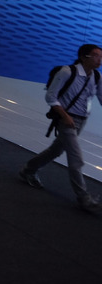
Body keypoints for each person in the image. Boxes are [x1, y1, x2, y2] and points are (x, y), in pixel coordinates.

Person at [19, 44, 102, 213]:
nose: (99, 59)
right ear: (83, 57)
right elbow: (50, 96)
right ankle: (84, 198)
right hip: (66, 120)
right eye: (95, 55)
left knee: (55, 150)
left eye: (101, 56)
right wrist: (65, 116)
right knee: (76, 159)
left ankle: (29, 170)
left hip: (81, 120)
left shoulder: (97, 76)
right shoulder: (67, 72)